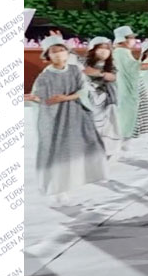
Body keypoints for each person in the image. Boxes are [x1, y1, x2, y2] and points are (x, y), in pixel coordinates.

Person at [25, 33, 108, 206]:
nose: (58, 54)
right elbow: (43, 99)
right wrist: (35, 99)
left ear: (67, 52)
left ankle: (78, 181)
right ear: (47, 56)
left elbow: (84, 90)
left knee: (83, 148)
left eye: (61, 50)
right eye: (54, 51)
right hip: (55, 120)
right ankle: (58, 191)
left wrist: (66, 98)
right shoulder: (45, 76)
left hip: (76, 116)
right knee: (57, 154)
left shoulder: (74, 70)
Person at [83, 36, 122, 160]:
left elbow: (113, 77)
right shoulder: (85, 64)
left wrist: (99, 73)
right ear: (93, 50)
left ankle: (105, 153)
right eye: (100, 48)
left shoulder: (111, 65)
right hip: (88, 101)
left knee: (107, 128)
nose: (104, 51)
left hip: (108, 102)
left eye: (107, 48)